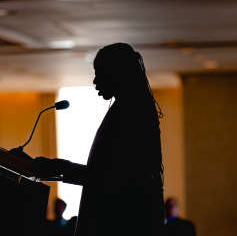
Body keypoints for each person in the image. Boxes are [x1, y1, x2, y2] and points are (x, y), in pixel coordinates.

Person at [32, 43, 166, 236]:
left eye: (100, 73)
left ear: (116, 73)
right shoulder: (130, 107)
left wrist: (62, 168)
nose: (95, 81)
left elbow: (113, 179)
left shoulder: (131, 113)